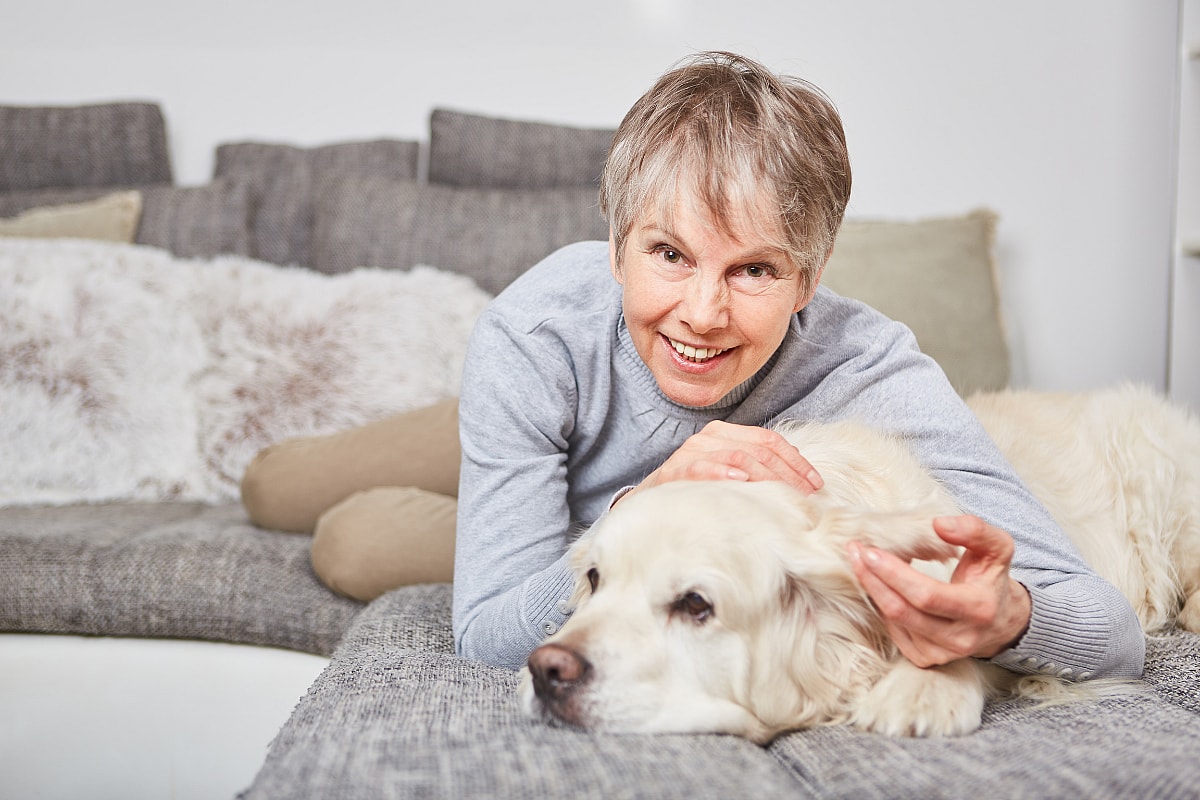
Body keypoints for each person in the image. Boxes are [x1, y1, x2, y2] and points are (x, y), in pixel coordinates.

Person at [242, 51, 1145, 681]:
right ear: (615, 245)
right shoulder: (534, 335)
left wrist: (1014, 619)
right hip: (555, 408)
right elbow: (487, 643)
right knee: (277, 490)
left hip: (582, 523)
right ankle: (477, 477)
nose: (703, 314)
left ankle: (516, 513)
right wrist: (652, 495)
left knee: (352, 540)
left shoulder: (869, 368)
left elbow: (1110, 629)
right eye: (669, 254)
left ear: (809, 279)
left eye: (753, 269)